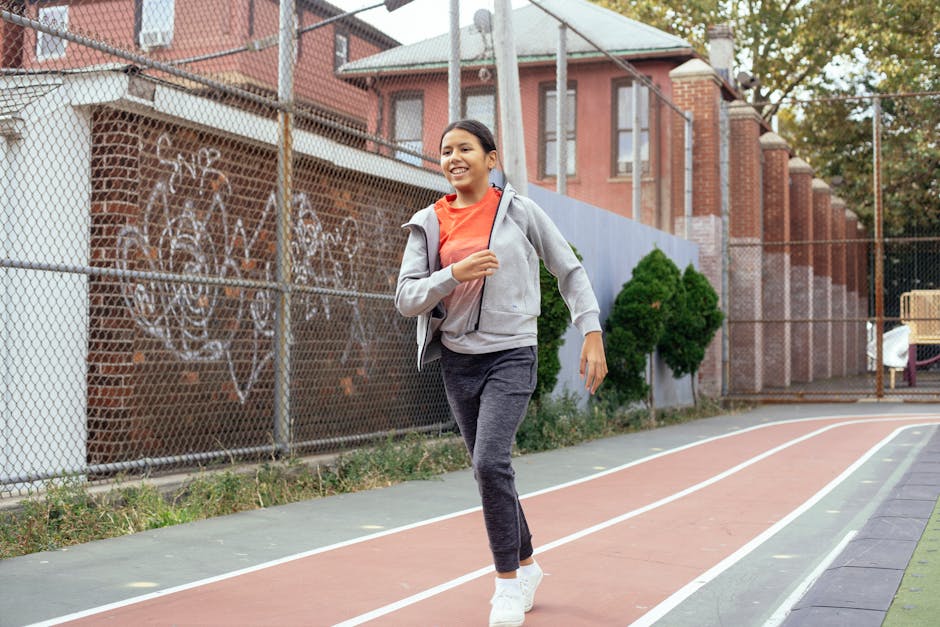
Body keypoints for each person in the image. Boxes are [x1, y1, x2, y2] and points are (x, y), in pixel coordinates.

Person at [395, 119, 607, 627]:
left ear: (492, 158)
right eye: (445, 151)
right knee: (488, 469)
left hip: (512, 353)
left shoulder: (520, 212)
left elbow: (568, 269)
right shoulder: (428, 222)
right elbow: (405, 298)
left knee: (490, 463)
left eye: (465, 148)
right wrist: (452, 274)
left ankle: (507, 584)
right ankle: (529, 564)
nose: (453, 157)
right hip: (457, 360)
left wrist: (592, 330)